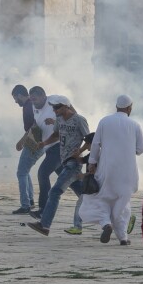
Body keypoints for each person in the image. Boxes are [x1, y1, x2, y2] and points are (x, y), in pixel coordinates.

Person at [78, 94, 143, 245]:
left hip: (107, 170)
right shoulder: (135, 125)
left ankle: (106, 224)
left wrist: (92, 162)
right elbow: (141, 149)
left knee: (101, 199)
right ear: (130, 108)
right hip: (128, 172)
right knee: (122, 203)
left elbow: (95, 144)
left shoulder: (105, 121)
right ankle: (123, 238)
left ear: (116, 107)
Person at [26, 95, 88, 237]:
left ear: (67, 106)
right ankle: (109, 220)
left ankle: (45, 225)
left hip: (74, 163)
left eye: (57, 107)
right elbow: (56, 135)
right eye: (53, 107)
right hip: (64, 160)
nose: (54, 110)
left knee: (54, 192)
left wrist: (81, 151)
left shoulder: (79, 120)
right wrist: (44, 143)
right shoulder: (59, 119)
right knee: (85, 194)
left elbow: (89, 139)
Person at [28, 87, 61, 216]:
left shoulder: (54, 101)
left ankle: (43, 210)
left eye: (35, 99)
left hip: (59, 146)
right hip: (49, 148)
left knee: (42, 173)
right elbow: (36, 124)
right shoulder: (33, 107)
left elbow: (70, 117)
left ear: (43, 96)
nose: (33, 102)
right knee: (72, 180)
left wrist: (55, 122)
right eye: (32, 100)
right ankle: (89, 198)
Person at [12, 84, 38, 214]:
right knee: (25, 171)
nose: (15, 102)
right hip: (36, 139)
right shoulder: (30, 105)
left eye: (15, 98)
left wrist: (22, 140)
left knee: (21, 172)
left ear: (20, 95)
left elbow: (34, 125)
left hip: (34, 140)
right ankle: (30, 201)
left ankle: (25, 205)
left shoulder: (28, 105)